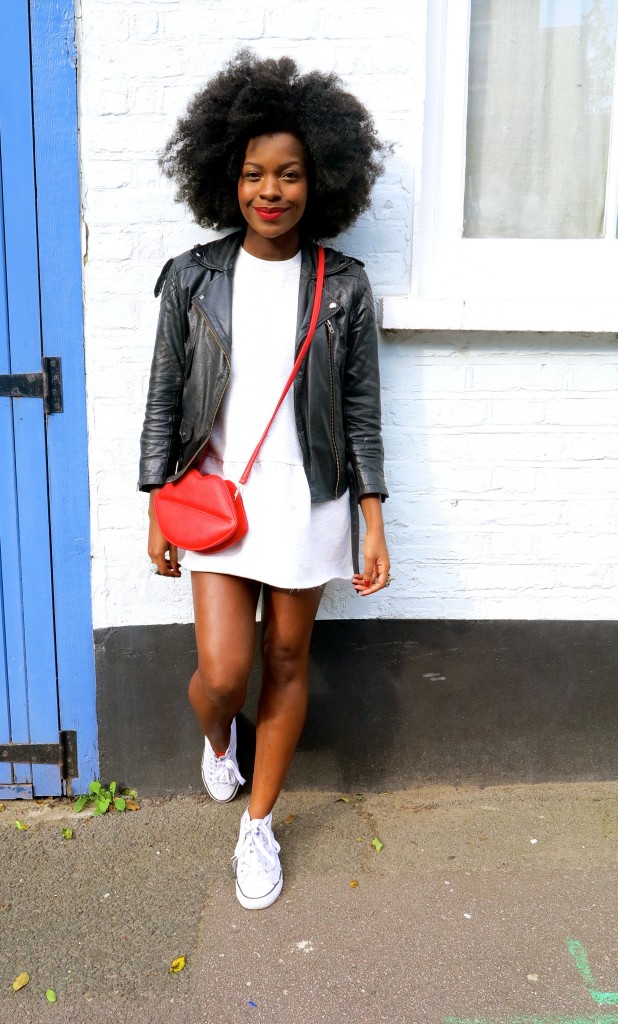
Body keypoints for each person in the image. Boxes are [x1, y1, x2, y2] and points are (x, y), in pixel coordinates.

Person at [138, 50, 391, 910]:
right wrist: (156, 506)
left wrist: (373, 519)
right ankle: (220, 741)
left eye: (289, 174)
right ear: (228, 177)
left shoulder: (343, 286)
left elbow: (362, 412)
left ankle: (258, 826)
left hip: (309, 500)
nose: (271, 190)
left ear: (320, 181)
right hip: (218, 499)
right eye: (254, 174)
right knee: (222, 673)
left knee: (286, 661)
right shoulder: (193, 277)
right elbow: (164, 399)